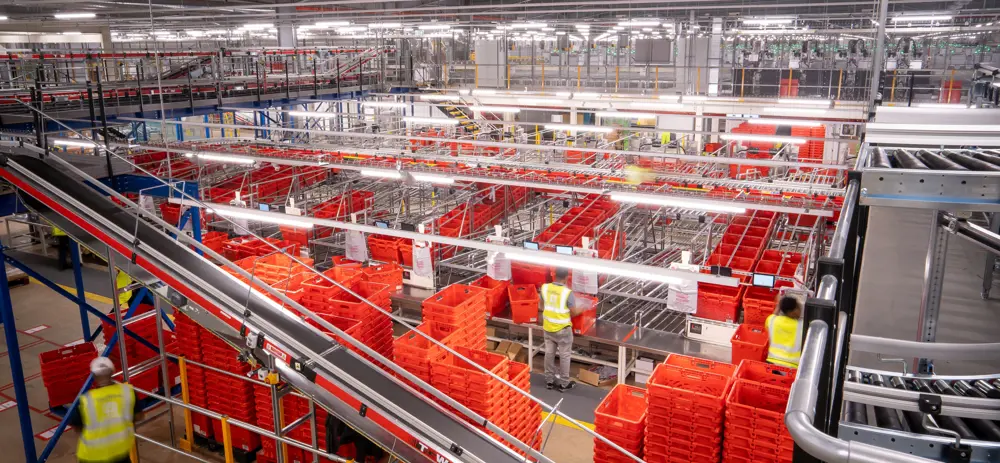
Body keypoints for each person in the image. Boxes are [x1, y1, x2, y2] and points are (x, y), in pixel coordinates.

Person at [69, 357, 142, 463]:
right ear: (113, 372)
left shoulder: (86, 399)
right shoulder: (127, 392)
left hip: (91, 456)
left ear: (94, 377)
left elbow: (77, 427)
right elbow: (138, 416)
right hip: (120, 452)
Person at [540, 268, 584, 392]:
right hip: (563, 329)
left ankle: (549, 380)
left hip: (548, 327)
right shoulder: (567, 292)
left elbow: (541, 306)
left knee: (549, 354)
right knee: (564, 356)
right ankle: (564, 383)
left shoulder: (545, 288)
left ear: (554, 276)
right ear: (566, 278)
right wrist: (584, 308)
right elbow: (574, 312)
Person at [765, 295, 804, 368]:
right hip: (792, 367)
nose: (801, 309)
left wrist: (780, 304)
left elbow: (773, 316)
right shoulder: (801, 326)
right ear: (791, 312)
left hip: (772, 364)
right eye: (798, 307)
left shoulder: (772, 320)